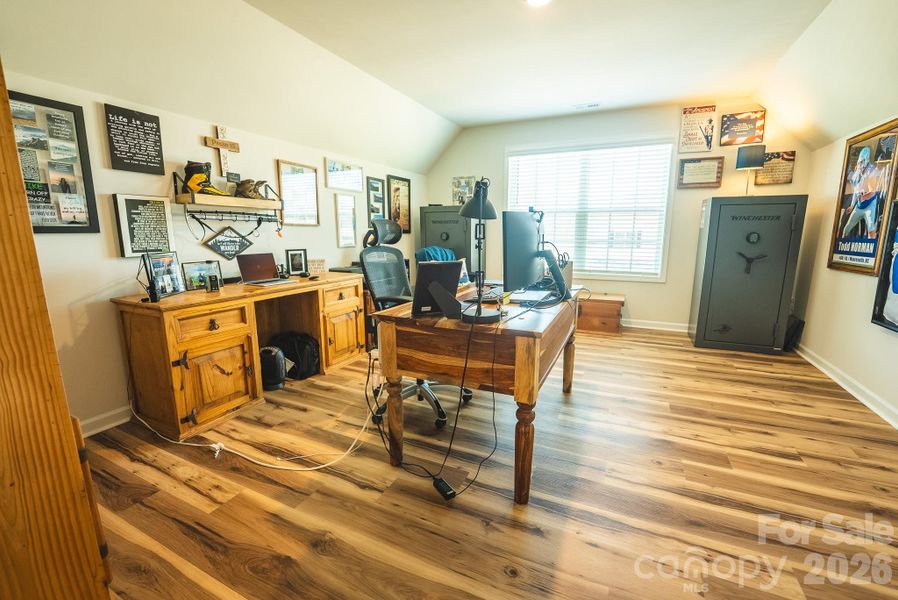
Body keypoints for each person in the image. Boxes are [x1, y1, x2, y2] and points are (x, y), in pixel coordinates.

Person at [842, 146, 886, 239]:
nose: (860, 165)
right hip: (859, 206)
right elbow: (856, 191)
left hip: (870, 205)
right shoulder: (857, 174)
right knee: (846, 229)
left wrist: (864, 196)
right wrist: (852, 205)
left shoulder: (871, 172)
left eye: (862, 162)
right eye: (860, 162)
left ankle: (872, 248)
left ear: (866, 161)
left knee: (871, 229)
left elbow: (873, 192)